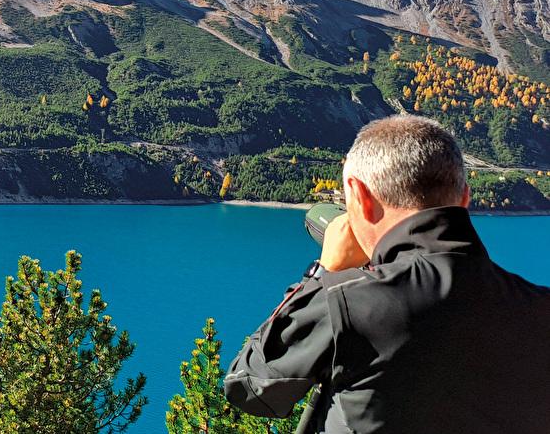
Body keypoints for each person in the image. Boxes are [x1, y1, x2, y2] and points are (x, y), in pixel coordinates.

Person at [224, 114, 550, 433]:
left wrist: (324, 273)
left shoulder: (347, 302)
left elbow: (249, 387)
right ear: (464, 197)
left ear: (360, 196)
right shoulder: (539, 307)